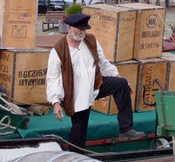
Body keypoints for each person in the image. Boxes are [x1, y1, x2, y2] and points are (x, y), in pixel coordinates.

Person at [46, 13, 144, 153]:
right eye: (79, 29)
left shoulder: (90, 40)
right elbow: (53, 78)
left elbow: (103, 63)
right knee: (79, 130)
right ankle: (74, 158)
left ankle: (126, 129)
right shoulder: (58, 50)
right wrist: (55, 102)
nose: (82, 32)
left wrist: (117, 75)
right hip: (76, 95)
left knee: (121, 84)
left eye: (84, 29)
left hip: (95, 85)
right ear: (68, 27)